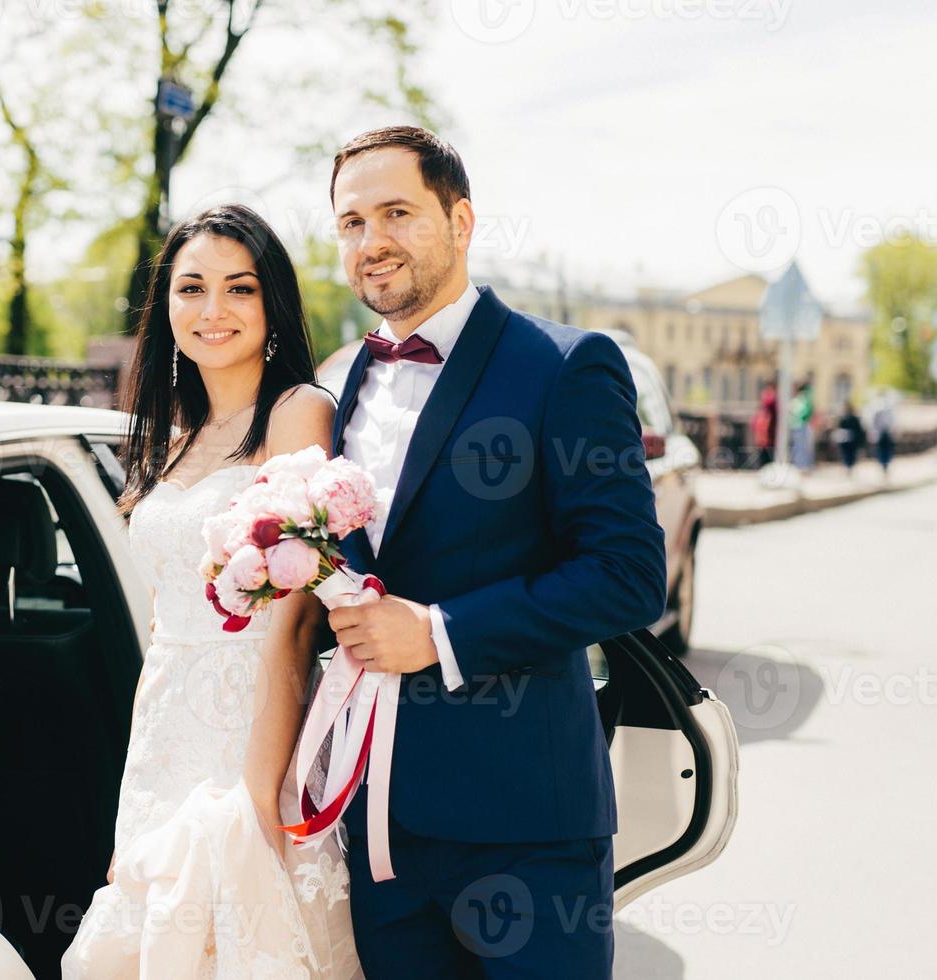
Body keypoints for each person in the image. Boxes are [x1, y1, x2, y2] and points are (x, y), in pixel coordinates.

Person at [323, 127, 667, 977]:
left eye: (397, 213)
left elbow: (628, 575)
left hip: (525, 827)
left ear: (461, 219)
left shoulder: (566, 366)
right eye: (353, 222)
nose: (373, 243)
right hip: (374, 833)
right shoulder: (339, 384)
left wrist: (440, 632)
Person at [61, 205, 361, 977]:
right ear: (166, 308)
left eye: (239, 289)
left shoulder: (299, 413)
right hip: (166, 738)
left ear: (273, 307)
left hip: (250, 735)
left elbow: (294, 627)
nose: (213, 311)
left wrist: (260, 791)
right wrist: (136, 799)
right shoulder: (171, 434)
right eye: (191, 289)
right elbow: (161, 633)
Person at [833, 398, 867, 472]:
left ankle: (849, 466)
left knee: (850, 453)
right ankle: (849, 466)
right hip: (847, 439)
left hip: (851, 439)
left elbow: (858, 429)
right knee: (848, 453)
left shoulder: (851, 418)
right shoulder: (844, 418)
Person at [868, 389, 897, 475]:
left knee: (881, 450)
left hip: (881, 432)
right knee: (886, 450)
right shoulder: (889, 406)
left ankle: (883, 464)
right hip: (886, 432)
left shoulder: (876, 405)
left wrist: (873, 430)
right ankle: (885, 465)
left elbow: (873, 420)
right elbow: (893, 420)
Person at [789, 379, 815, 470]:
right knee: (801, 447)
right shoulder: (805, 398)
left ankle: (801, 466)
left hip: (798, 425)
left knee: (799, 447)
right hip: (800, 425)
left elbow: (801, 412)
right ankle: (802, 466)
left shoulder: (800, 399)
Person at [752, 381, 778, 467]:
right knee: (763, 450)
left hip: (770, 431)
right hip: (765, 430)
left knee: (768, 450)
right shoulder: (768, 401)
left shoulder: (772, 401)